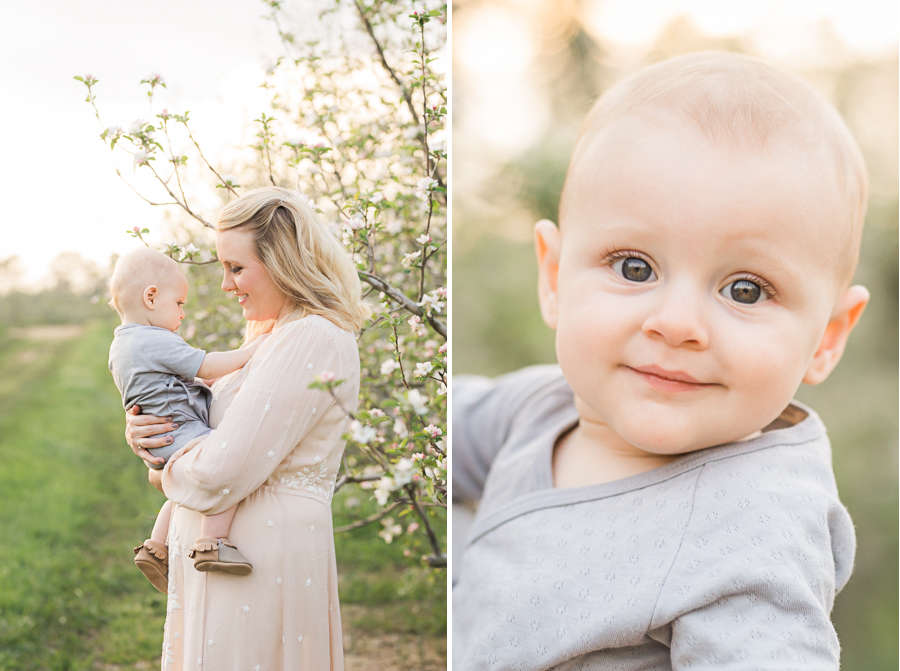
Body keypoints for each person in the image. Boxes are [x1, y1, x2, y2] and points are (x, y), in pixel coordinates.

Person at [452, 52, 869, 669]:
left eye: (745, 289)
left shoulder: (754, 533)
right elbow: (437, 427)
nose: (676, 323)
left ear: (827, 337)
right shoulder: (538, 409)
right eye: (634, 267)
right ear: (554, 278)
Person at [124, 186, 367, 670]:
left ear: (283, 264)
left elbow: (219, 470)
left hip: (262, 555)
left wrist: (162, 471)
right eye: (223, 269)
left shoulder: (312, 337)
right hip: (220, 555)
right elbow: (206, 429)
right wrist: (146, 432)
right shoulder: (272, 335)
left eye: (237, 268)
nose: (226, 286)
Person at [108, 247, 259, 593]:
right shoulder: (155, 339)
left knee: (178, 496)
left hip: (162, 442)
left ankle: (155, 546)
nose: (182, 314)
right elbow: (204, 365)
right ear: (151, 297)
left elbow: (165, 385)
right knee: (223, 468)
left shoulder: (121, 346)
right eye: (179, 304)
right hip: (182, 433)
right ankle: (213, 542)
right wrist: (249, 353)